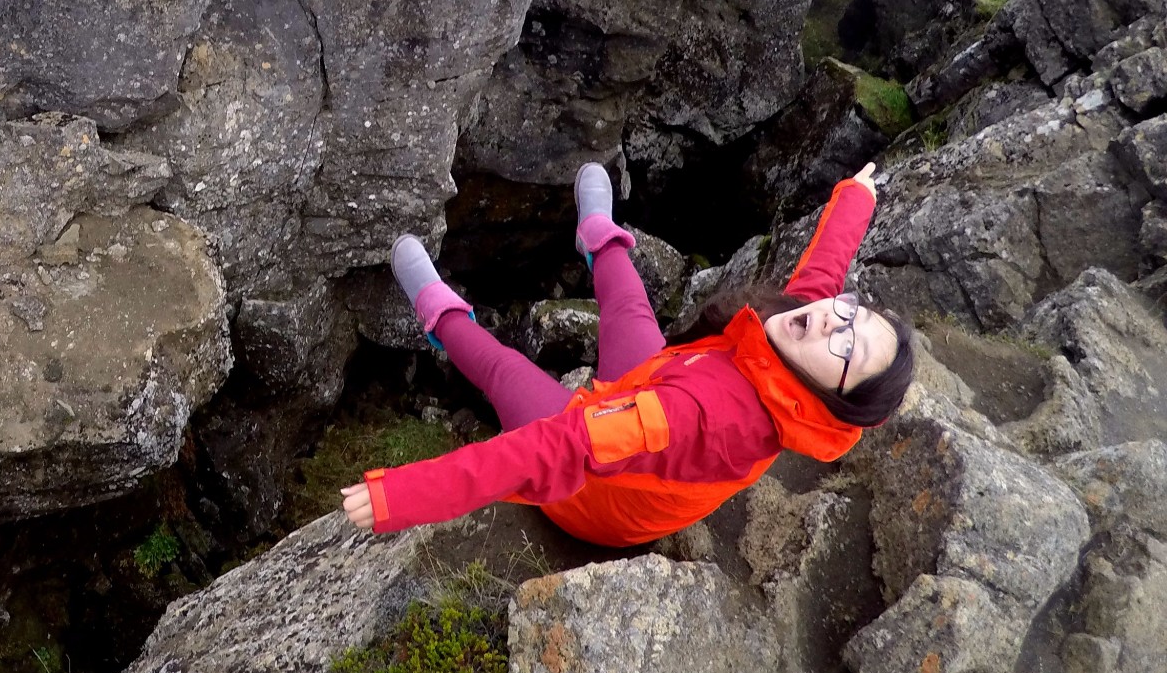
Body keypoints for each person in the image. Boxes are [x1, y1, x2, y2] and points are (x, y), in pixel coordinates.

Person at [340, 161, 915, 543]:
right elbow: (824, 275)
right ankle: (598, 233)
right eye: (852, 312)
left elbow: (556, 448)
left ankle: (439, 312)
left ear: (832, 397)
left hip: (598, 498)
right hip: (655, 382)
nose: (831, 322)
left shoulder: (705, 417)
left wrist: (402, 495)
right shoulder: (801, 344)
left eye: (849, 349)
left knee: (506, 370)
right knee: (632, 309)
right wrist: (856, 197)